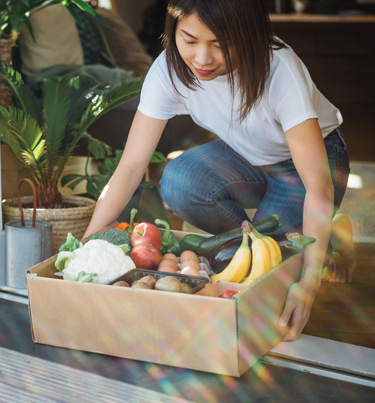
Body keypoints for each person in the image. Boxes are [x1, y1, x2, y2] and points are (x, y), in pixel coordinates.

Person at [83, 0, 356, 340]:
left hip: (315, 166)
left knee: (269, 268)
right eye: (190, 40)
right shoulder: (168, 70)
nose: (202, 59)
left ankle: (327, 237)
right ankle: (283, 238)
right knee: (181, 181)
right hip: (249, 156)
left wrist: (309, 284)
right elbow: (131, 165)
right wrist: (87, 243)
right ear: (173, 31)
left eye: (220, 44)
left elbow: (318, 187)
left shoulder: (279, 69)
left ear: (249, 34)